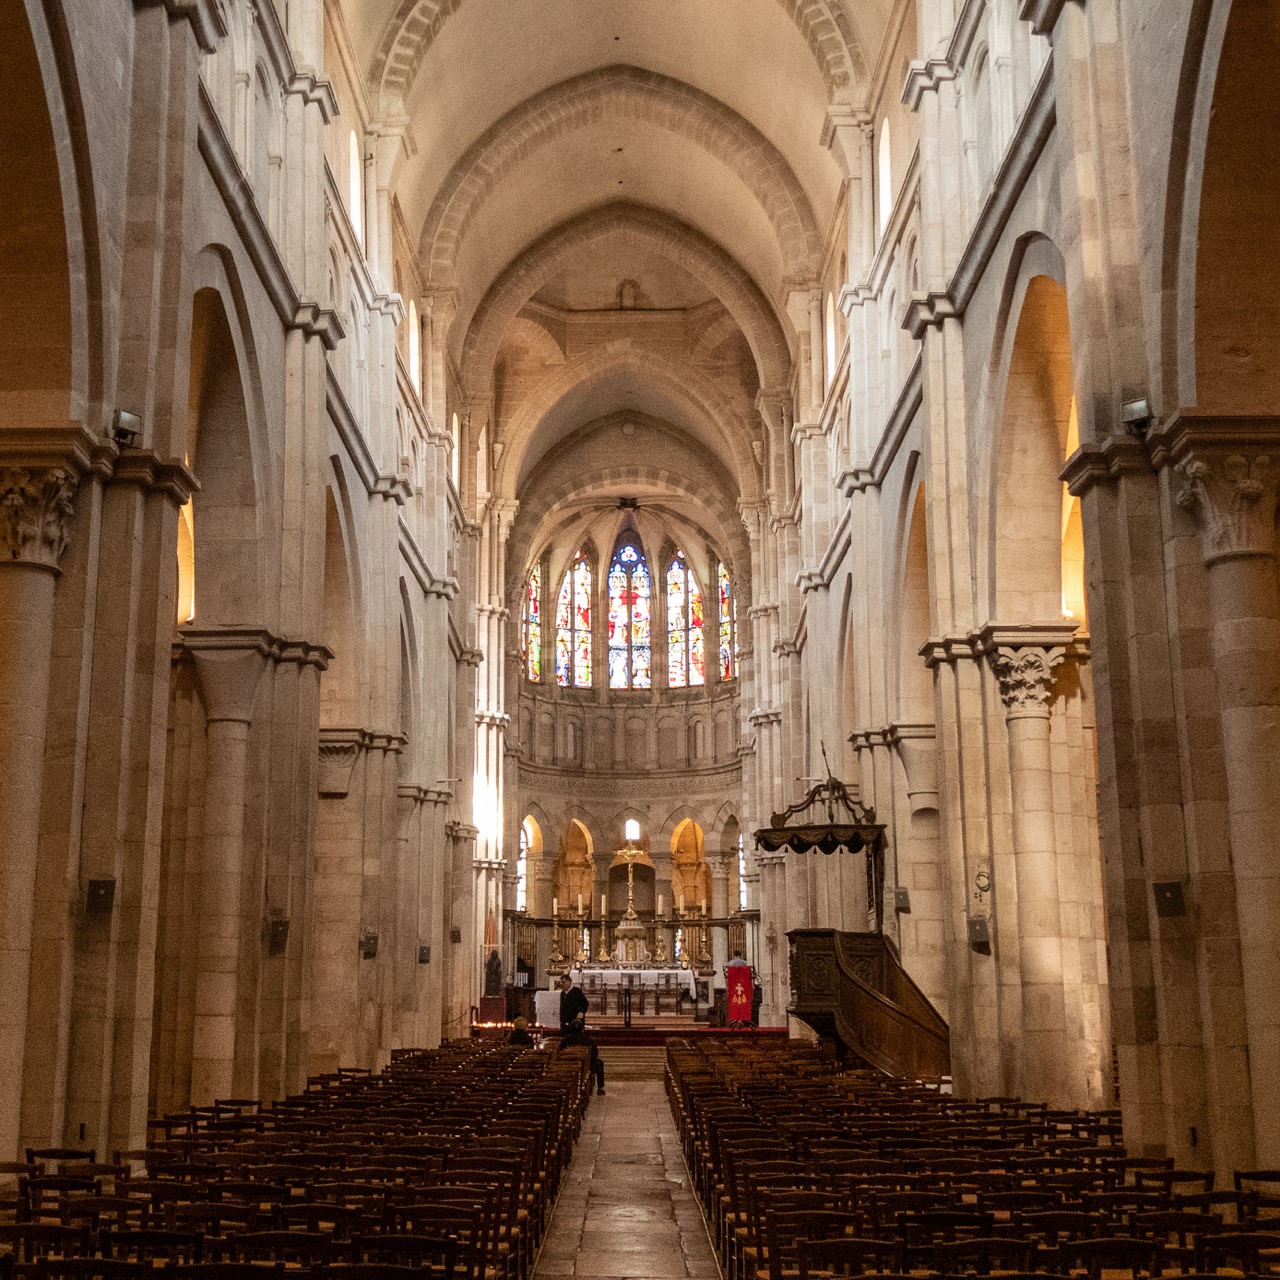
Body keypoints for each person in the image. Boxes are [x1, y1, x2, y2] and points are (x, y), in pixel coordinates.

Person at [557, 973, 605, 1095]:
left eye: (563, 982)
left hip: (576, 1021)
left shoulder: (577, 992)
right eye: (561, 983)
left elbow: (585, 1003)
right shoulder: (563, 994)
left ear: (569, 981)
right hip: (566, 1023)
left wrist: (581, 1012)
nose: (562, 985)